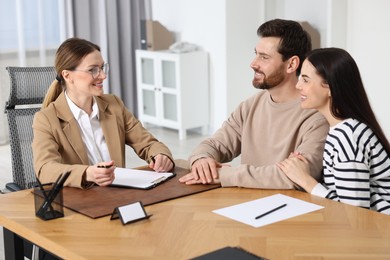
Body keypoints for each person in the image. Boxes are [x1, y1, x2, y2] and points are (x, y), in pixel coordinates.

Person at [179, 19, 329, 188]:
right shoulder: (250, 106)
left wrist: (227, 175)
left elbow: (299, 176)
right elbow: (215, 144)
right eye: (256, 54)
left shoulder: (318, 116)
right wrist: (202, 159)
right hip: (246, 203)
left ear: (291, 64)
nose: (253, 63)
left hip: (289, 209)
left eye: (264, 57)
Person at [32, 37, 174, 189]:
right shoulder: (46, 119)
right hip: (81, 200)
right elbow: (45, 169)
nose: (103, 76)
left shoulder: (113, 105)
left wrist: (161, 156)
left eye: (102, 68)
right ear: (67, 75)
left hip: (117, 194)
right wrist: (87, 173)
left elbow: (148, 143)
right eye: (93, 70)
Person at [277, 48, 390, 214]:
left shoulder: (348, 135)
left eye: (306, 80)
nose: (298, 85)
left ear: (330, 88)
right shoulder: (341, 129)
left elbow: (355, 213)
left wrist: (306, 180)